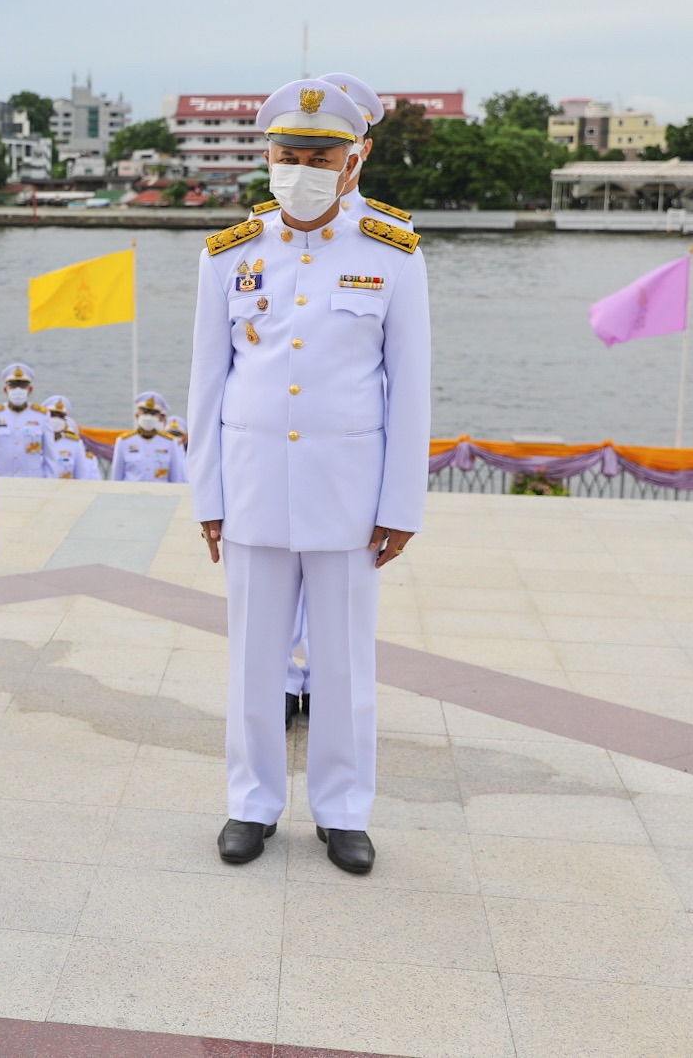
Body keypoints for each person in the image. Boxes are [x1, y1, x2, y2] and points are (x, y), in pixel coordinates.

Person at [187, 79, 429, 876]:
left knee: (344, 662)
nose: (300, 170)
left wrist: (400, 504)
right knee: (251, 661)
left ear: (353, 161)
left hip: (347, 493)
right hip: (252, 485)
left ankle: (343, 809)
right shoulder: (228, 253)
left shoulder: (392, 253)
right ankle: (250, 802)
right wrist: (208, 497)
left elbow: (410, 388)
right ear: (267, 157)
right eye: (286, 155)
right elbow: (206, 384)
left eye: (319, 158)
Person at [0, 363, 59, 477]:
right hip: (1, 479)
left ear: (30, 390)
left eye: (22, 386)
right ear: (6, 390)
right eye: (13, 386)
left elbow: (50, 455)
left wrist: (50, 482)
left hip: (32, 480)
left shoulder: (41, 416)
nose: (18, 390)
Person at [110, 391, 187, 483]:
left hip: (160, 491)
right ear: (137, 415)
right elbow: (116, 479)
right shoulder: (124, 441)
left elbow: (176, 479)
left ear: (159, 417)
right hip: (132, 492)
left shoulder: (170, 442)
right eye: (145, 413)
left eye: (153, 413)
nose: (149, 417)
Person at [41, 394, 100, 479]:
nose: (56, 419)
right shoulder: (33, 440)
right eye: (52, 415)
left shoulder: (74, 444)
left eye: (61, 416)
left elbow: (81, 477)